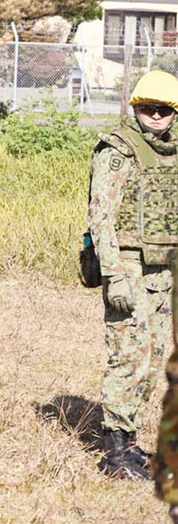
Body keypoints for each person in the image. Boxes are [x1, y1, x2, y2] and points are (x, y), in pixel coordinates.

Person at [90, 70, 178, 480]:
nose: (156, 117)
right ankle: (114, 453)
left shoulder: (172, 153)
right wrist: (114, 276)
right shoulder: (117, 150)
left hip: (162, 271)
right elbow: (101, 218)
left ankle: (128, 440)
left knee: (154, 356)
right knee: (129, 358)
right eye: (148, 109)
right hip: (128, 266)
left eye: (164, 110)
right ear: (135, 109)